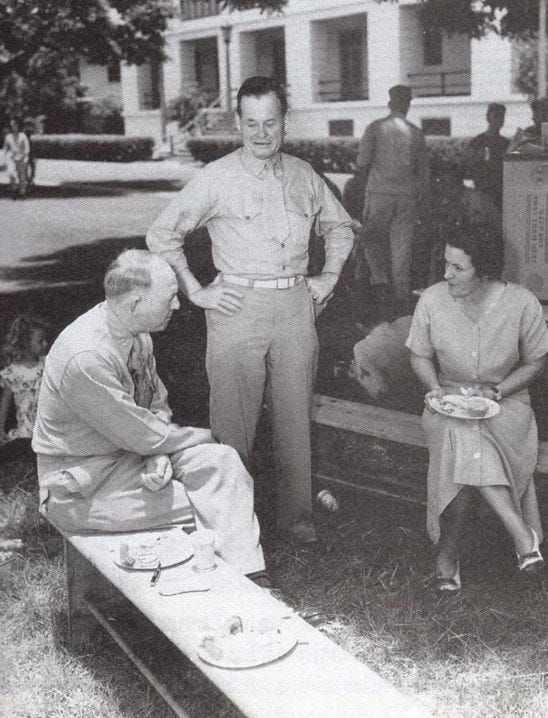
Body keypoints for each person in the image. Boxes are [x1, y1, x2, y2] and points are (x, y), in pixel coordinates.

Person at [147, 76, 354, 545]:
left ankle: (297, 518)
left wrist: (329, 279)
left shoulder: (304, 175)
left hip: (295, 308)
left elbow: (341, 230)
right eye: (252, 123)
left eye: (271, 122)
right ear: (238, 123)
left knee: (295, 417)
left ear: (285, 121)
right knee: (232, 423)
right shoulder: (216, 177)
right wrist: (197, 291)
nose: (262, 133)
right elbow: (163, 234)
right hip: (236, 307)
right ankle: (230, 523)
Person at [32, 250, 265, 577]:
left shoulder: (138, 335)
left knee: (223, 463)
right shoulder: (85, 356)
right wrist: (201, 435)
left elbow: (155, 407)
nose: (177, 306)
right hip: (83, 487)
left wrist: (159, 458)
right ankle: (238, 594)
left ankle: (252, 584)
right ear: (135, 304)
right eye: (169, 298)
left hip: (131, 456)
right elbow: (140, 434)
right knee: (221, 499)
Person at [405, 227, 548, 592]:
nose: (446, 274)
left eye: (458, 268)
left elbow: (536, 362)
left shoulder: (522, 303)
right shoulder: (434, 300)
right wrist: (435, 389)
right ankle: (520, 533)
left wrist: (497, 391)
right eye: (446, 265)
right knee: (459, 429)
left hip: (507, 404)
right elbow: (418, 354)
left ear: (483, 271)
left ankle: (447, 556)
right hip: (447, 401)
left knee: (462, 441)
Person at [356, 85, 430, 317]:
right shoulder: (416, 133)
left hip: (379, 193)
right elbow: (425, 173)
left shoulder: (376, 128)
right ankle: (400, 299)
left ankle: (380, 284)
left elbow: (362, 162)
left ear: (390, 103)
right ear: (407, 105)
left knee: (370, 239)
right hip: (407, 196)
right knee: (402, 248)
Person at [0, 315, 48, 443]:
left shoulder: (47, 364)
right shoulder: (12, 372)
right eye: (40, 341)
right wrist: (0, 429)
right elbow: (5, 403)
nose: (45, 344)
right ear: (25, 344)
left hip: (48, 429)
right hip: (26, 433)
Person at [466, 103, 509, 209]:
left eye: (501, 116)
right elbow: (466, 167)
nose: (498, 120)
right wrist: (477, 158)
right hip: (483, 193)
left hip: (502, 193)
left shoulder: (507, 144)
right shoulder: (477, 142)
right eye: (495, 116)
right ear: (488, 117)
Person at [3, 117, 30, 200]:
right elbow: (5, 149)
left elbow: (27, 148)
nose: (14, 127)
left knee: (22, 176)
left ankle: (22, 193)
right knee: (11, 174)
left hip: (22, 157)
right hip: (12, 158)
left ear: (18, 126)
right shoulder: (8, 137)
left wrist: (23, 156)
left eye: (15, 125)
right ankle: (14, 191)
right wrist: (5, 157)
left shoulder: (23, 136)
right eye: (12, 125)